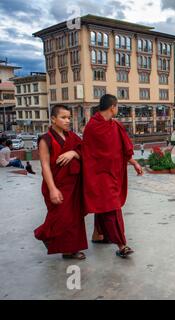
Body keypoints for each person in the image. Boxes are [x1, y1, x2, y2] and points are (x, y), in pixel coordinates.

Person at [82, 94, 143, 258]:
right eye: (117, 107)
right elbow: (87, 152)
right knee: (112, 208)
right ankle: (122, 245)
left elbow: (122, 150)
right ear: (113, 107)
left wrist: (134, 163)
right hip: (99, 175)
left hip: (113, 173)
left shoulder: (114, 126)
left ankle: (98, 235)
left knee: (103, 206)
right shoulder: (92, 127)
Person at [34, 105, 88, 260]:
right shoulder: (46, 139)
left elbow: (85, 150)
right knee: (60, 217)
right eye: (63, 117)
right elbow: (44, 165)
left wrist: (74, 153)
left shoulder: (72, 136)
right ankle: (44, 234)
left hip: (73, 184)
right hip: (56, 184)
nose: (67, 121)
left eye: (69, 118)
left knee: (74, 218)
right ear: (53, 119)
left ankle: (69, 250)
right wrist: (52, 189)